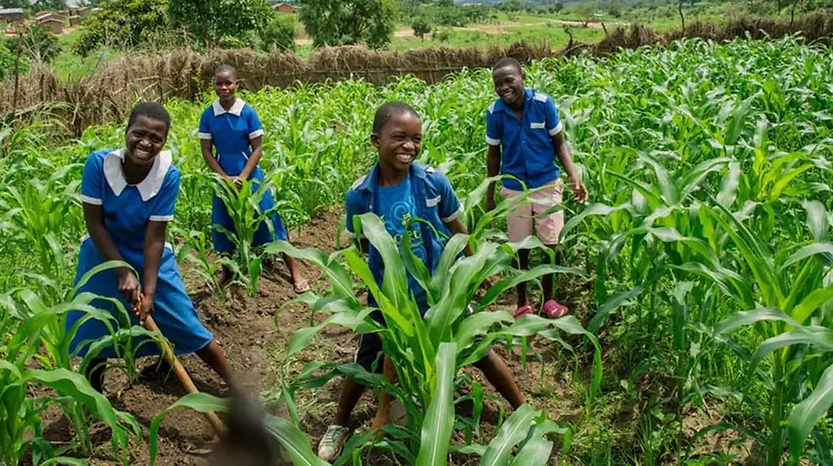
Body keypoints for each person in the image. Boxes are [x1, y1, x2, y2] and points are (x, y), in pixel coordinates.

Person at [317, 102, 526, 461]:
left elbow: (457, 232)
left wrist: (472, 267)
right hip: (388, 299)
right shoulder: (360, 195)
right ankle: (339, 422)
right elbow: (365, 246)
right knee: (365, 362)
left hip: (440, 293)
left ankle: (524, 412)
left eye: (416, 139)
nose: (409, 146)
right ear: (375, 140)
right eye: (399, 137)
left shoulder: (432, 181)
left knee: (482, 355)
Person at [67, 101, 237, 393]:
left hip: (148, 254)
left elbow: (155, 237)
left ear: (164, 141)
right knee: (96, 326)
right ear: (126, 132)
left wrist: (150, 290)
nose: (145, 143)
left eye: (156, 138)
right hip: (102, 255)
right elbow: (94, 224)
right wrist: (121, 271)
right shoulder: (98, 165)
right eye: (139, 134)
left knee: (183, 320)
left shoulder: (167, 175)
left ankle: (237, 388)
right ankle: (95, 397)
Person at [484, 57, 588, 319]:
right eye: (498, 84)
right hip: (514, 187)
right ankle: (522, 303)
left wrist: (574, 176)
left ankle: (549, 300)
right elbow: (493, 154)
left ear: (523, 78)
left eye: (509, 81)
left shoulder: (543, 104)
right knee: (521, 248)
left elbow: (559, 143)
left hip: (546, 183)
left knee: (550, 244)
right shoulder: (494, 113)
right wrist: (490, 194)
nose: (504, 88)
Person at [199, 64, 309, 293]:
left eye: (228, 83)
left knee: (271, 219)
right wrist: (224, 178)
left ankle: (294, 271)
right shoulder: (209, 115)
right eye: (219, 83)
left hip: (249, 173)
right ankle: (227, 272)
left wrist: (243, 176)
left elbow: (257, 149)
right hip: (224, 177)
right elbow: (206, 151)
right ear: (214, 85)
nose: (223, 87)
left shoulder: (247, 112)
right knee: (223, 223)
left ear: (237, 84)